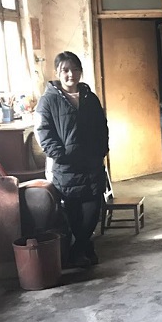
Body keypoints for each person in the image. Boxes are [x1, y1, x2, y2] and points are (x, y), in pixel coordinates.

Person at [35, 51, 109, 268]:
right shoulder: (48, 101)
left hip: (92, 165)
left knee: (92, 211)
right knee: (75, 215)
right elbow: (43, 132)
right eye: (65, 70)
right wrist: (60, 155)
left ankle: (78, 250)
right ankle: (84, 250)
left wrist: (101, 150)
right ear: (58, 72)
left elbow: (102, 127)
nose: (71, 74)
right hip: (67, 168)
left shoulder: (89, 98)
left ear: (80, 72)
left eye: (75, 69)